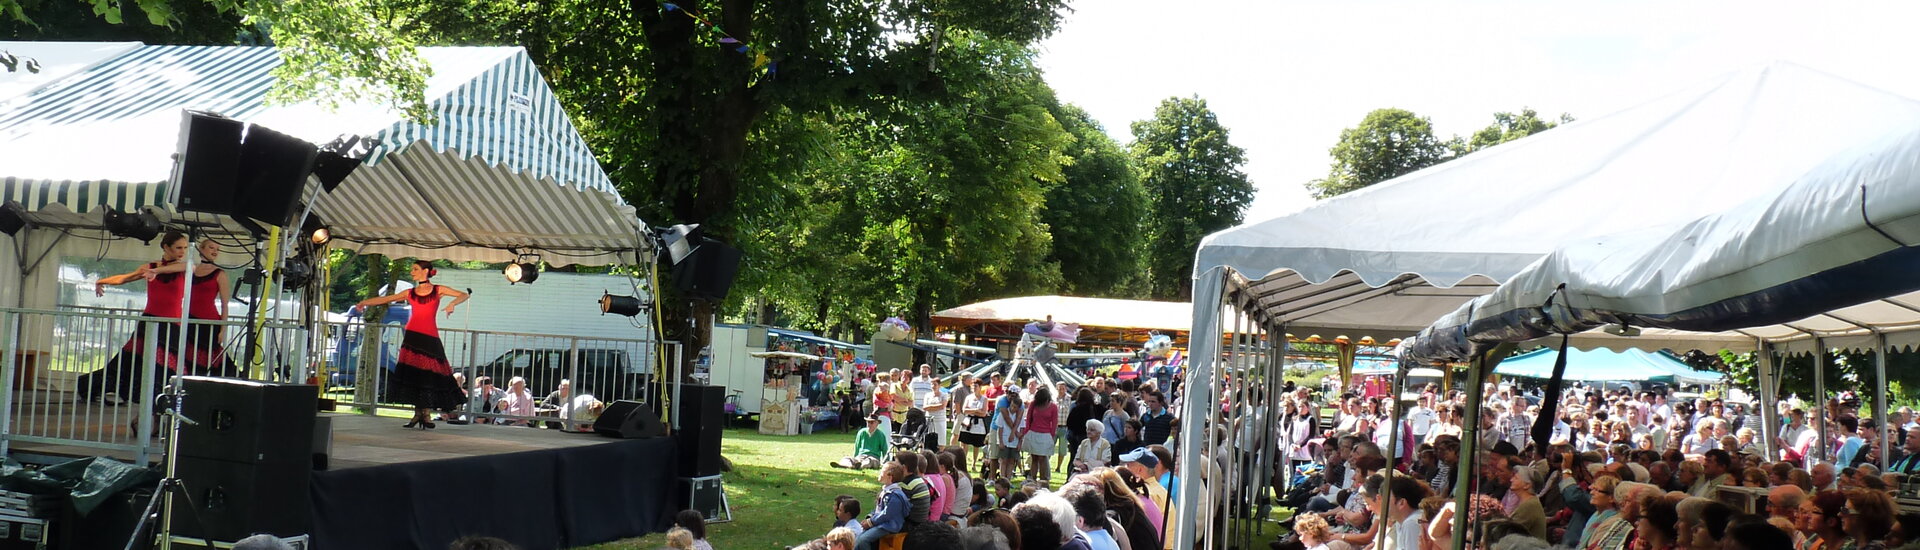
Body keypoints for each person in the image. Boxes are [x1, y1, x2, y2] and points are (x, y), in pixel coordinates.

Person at [79, 231, 193, 404]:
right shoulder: (149, 267)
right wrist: (101, 281)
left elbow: (185, 267)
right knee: (128, 361)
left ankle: (165, 398)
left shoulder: (184, 267)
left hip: (172, 323)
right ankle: (89, 386)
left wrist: (156, 271)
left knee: (169, 363)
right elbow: (124, 278)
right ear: (166, 247)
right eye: (178, 248)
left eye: (184, 248)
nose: (182, 251)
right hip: (150, 320)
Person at [354, 261, 469, 429]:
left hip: (429, 336)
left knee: (428, 375)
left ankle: (426, 414)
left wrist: (451, 304)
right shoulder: (410, 292)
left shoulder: (438, 290)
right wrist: (365, 301)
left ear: (426, 271)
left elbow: (463, 295)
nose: (412, 271)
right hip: (412, 336)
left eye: (415, 269)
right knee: (415, 375)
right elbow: (386, 298)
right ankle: (419, 414)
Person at [146, 238, 238, 377]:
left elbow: (225, 304)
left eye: (217, 249)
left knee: (206, 358)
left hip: (209, 322)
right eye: (211, 248)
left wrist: (222, 329)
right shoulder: (190, 268)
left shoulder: (220, 274)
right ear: (201, 249)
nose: (215, 251)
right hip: (187, 319)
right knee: (184, 356)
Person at [855, 463, 910, 550]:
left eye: (882, 471)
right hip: (881, 523)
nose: (879, 473)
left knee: (863, 540)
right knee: (857, 538)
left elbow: (887, 514)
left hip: (889, 526)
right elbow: (879, 509)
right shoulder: (887, 490)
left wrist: (871, 522)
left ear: (890, 477)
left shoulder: (895, 495)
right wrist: (870, 517)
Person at [1020, 387, 1060, 485]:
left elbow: (1054, 422)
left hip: (1045, 435)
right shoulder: (1034, 404)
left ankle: (1043, 481)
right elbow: (1028, 418)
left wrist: (1052, 435)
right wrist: (1027, 431)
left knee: (1042, 458)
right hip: (1033, 433)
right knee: (1034, 458)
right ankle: (1032, 479)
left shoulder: (1053, 407)